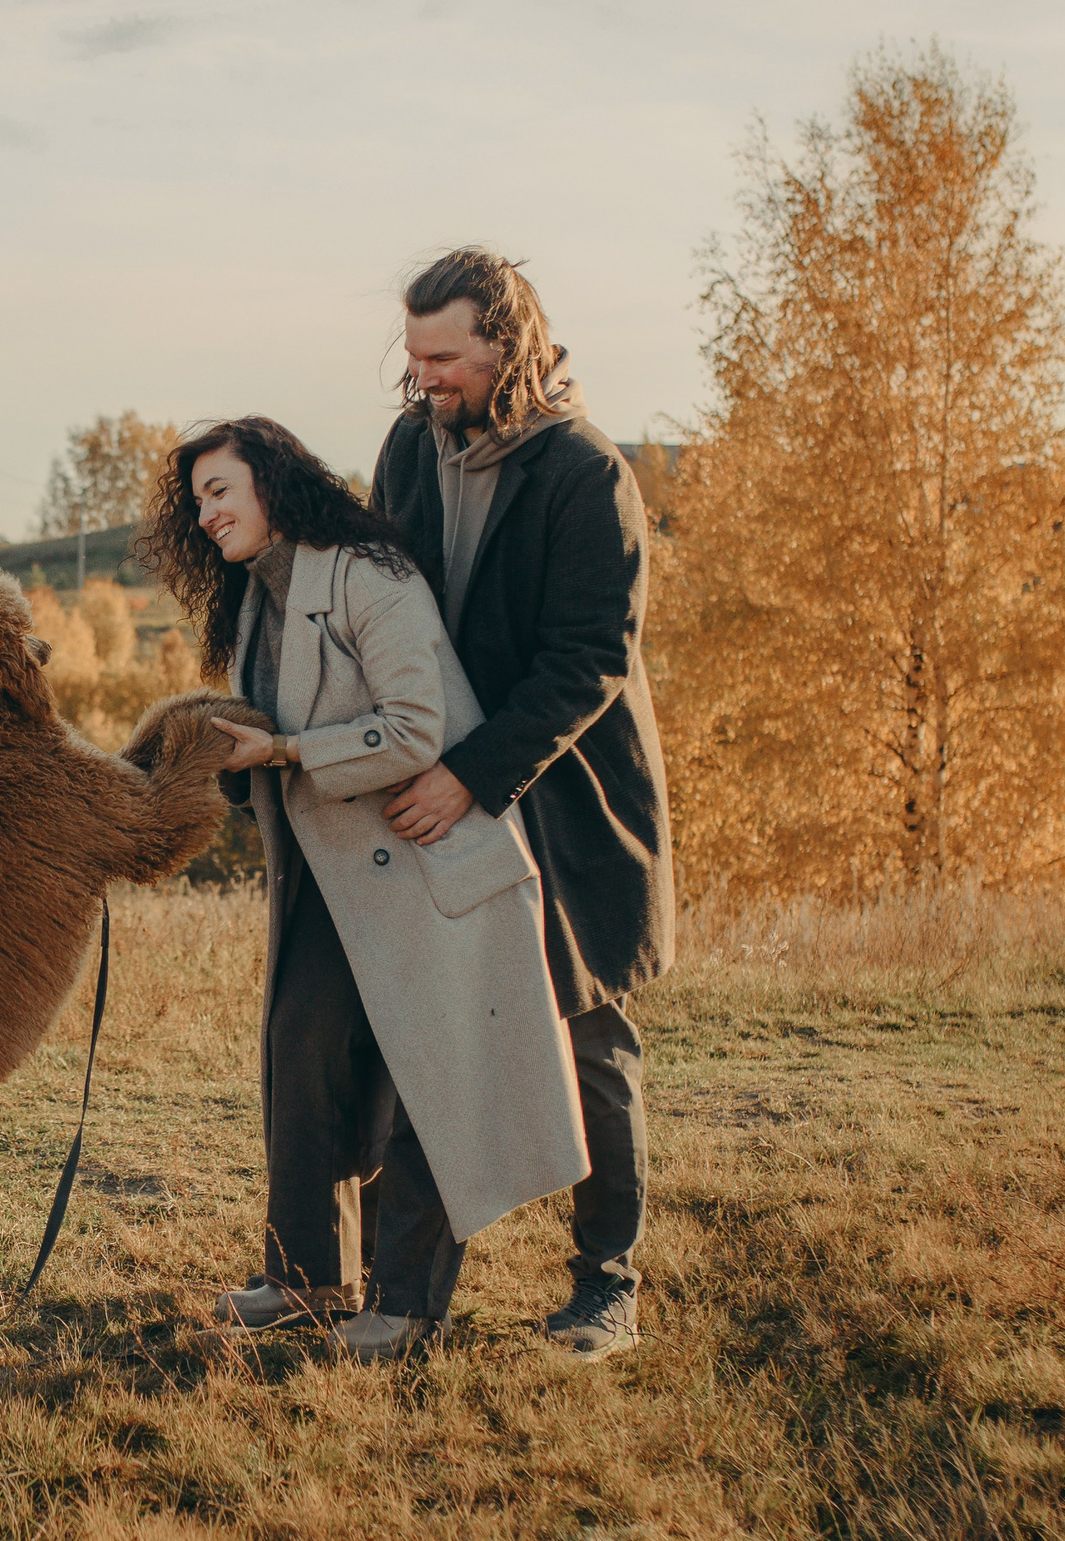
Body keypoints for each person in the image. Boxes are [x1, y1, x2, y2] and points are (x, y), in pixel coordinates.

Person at [133, 416, 589, 1360]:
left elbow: (416, 729)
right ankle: (303, 1280)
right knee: (300, 1053)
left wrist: (290, 752)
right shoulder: (262, 596)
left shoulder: (369, 575)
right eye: (197, 501)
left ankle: (409, 1304)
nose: (207, 512)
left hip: (432, 867)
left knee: (434, 1083)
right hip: (335, 879)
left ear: (274, 479)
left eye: (220, 489)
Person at [370, 248, 673, 1360]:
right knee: (425, 1037)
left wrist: (472, 774)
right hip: (435, 793)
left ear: (508, 344)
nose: (425, 378)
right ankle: (404, 1300)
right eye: (413, 357)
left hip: (567, 800)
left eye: (445, 357)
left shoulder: (586, 472)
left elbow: (588, 660)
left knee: (588, 1048)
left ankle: (605, 1285)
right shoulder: (408, 444)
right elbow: (374, 594)